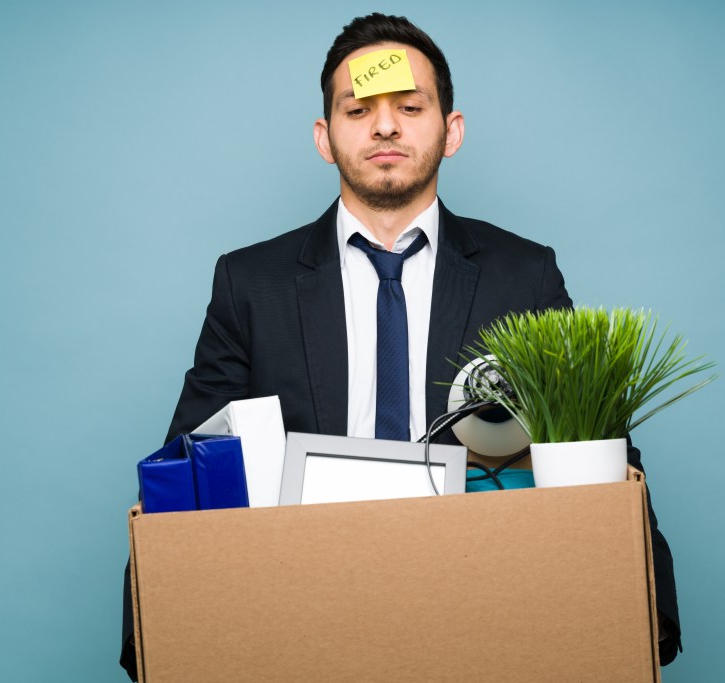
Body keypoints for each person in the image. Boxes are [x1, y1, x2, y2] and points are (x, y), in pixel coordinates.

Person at [120, 13, 681, 679]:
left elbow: (597, 456)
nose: (385, 126)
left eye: (410, 107)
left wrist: (643, 617)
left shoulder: (522, 275)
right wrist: (159, 629)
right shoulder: (251, 284)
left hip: (483, 616)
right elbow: (186, 471)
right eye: (359, 109)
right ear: (325, 139)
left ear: (452, 130)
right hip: (303, 621)